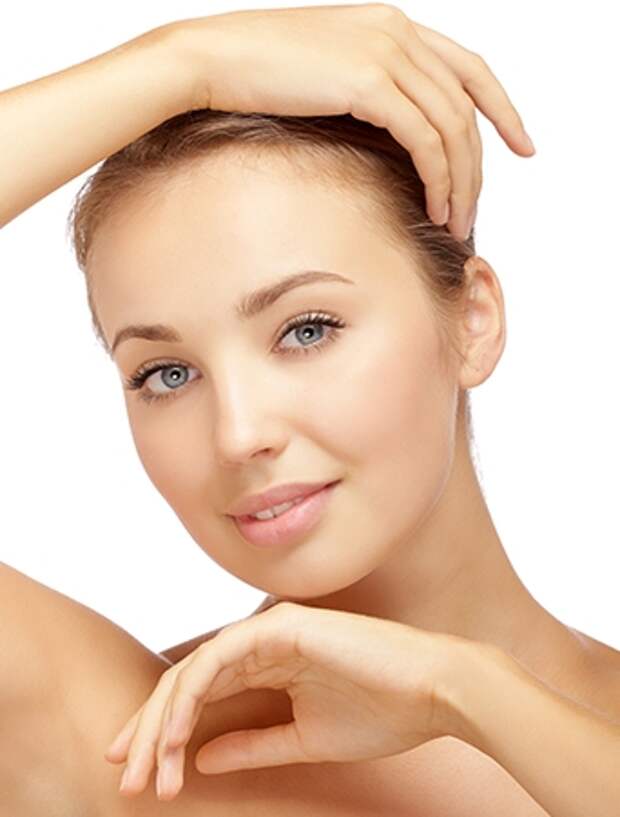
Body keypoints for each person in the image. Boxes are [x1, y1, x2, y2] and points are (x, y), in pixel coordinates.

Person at [1, 5, 618, 816]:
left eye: (306, 329)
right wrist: (181, 63)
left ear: (473, 319)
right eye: (167, 373)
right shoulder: (117, 753)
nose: (240, 434)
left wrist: (466, 691)